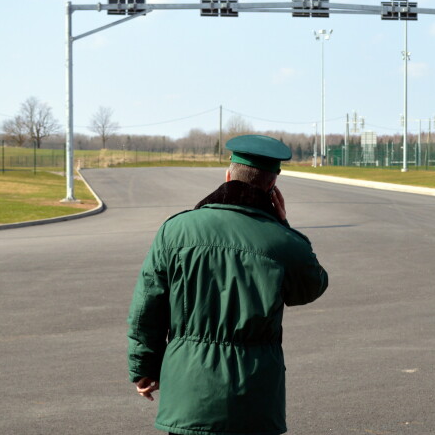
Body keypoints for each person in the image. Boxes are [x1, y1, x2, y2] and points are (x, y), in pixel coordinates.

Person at [127, 134, 328, 435]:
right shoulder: (283, 242)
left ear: (228, 175)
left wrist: (143, 368)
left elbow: (147, 307)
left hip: (188, 397)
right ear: (273, 187)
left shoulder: (176, 230)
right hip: (255, 401)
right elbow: (310, 287)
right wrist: (283, 226)